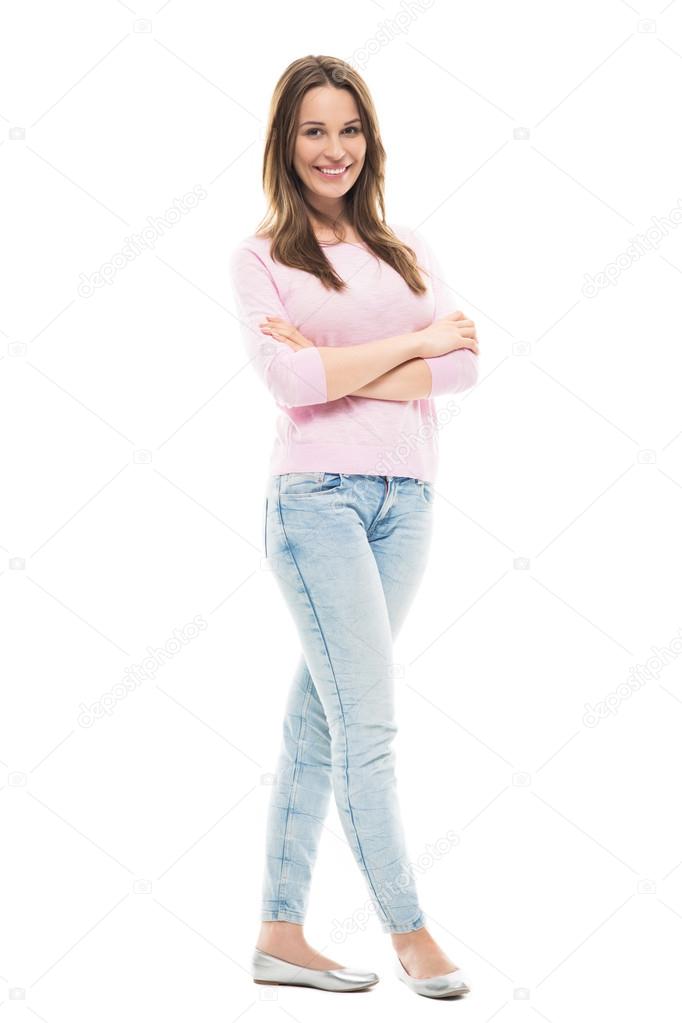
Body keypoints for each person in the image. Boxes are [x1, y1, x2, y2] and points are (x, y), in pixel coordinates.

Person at [228, 54, 478, 999]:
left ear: (369, 140)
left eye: (348, 129)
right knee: (365, 722)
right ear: (285, 145)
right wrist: (414, 342)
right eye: (312, 131)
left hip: (405, 501)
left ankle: (280, 934)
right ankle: (410, 931)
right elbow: (288, 385)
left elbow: (461, 369)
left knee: (318, 718)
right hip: (315, 504)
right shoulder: (262, 258)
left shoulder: (407, 247)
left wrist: (343, 361)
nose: (333, 149)